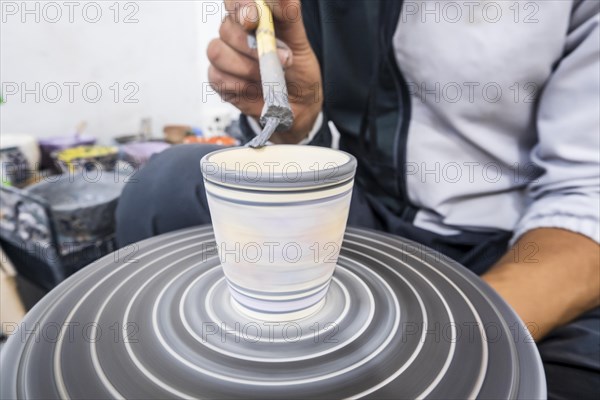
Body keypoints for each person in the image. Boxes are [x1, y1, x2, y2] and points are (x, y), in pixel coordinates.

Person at [115, 1, 600, 398]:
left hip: (515, 244)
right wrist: (294, 125)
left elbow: (587, 198)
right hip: (357, 215)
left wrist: (446, 350)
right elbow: (302, 144)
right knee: (166, 188)